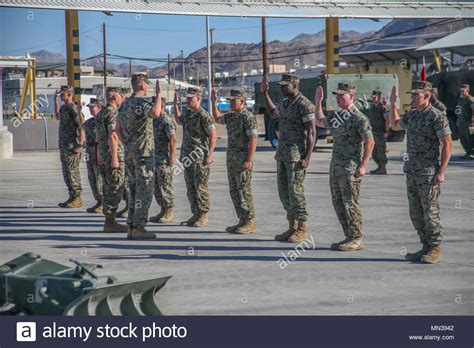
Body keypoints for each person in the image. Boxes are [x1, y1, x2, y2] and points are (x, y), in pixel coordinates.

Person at [389, 81, 452, 264]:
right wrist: (393, 103)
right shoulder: (413, 115)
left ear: (427, 95)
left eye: (415, 95)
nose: (412, 98)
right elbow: (394, 125)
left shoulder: (436, 116)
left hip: (428, 172)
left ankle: (435, 248)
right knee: (415, 212)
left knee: (430, 211)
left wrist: (441, 171)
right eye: (411, 95)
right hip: (412, 171)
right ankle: (424, 245)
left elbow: (447, 144)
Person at [314, 83, 375, 251]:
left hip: (350, 168)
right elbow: (319, 122)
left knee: (350, 204)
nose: (338, 98)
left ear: (352, 97)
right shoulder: (337, 116)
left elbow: (370, 142)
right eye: (337, 95)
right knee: (338, 203)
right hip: (336, 167)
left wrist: (363, 165)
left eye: (342, 95)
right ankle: (349, 236)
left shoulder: (359, 118)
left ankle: (357, 237)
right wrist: (318, 101)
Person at [260, 73, 317, 243]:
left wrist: (307, 157)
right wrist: (264, 93)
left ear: (295, 85)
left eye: (286, 85)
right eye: (281, 85)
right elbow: (272, 113)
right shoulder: (285, 103)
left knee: (296, 192)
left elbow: (312, 132)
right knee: (284, 193)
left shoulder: (304, 104)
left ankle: (302, 228)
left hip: (296, 155)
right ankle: (292, 226)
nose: (283, 88)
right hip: (282, 154)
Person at [116, 73, 162, 240]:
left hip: (130, 154)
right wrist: (158, 95)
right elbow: (155, 114)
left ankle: (131, 226)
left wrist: (126, 144)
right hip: (143, 154)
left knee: (133, 190)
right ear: (143, 86)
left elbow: (117, 129)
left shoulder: (125, 104)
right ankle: (139, 227)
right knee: (144, 191)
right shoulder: (141, 103)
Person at [211, 89, 258, 234]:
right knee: (234, 191)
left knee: (244, 191)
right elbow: (218, 118)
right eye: (229, 100)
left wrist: (249, 159)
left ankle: (250, 221)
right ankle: (242, 220)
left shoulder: (248, 117)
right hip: (231, 160)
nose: (230, 103)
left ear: (242, 102)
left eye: (233, 101)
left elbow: (253, 139)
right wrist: (214, 102)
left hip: (243, 160)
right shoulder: (231, 117)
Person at [173, 87, 217, 227]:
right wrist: (175, 105)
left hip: (199, 156)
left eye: (190, 98)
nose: (187, 100)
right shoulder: (188, 113)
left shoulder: (204, 115)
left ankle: (203, 214)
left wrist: (210, 154)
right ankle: (195, 213)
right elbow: (179, 120)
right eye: (187, 98)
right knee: (190, 185)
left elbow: (213, 135)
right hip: (187, 157)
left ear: (198, 99)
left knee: (200, 186)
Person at [95, 88, 128, 233]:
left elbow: (98, 137)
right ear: (115, 97)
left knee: (108, 186)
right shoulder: (113, 113)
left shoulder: (101, 112)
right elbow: (113, 136)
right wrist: (115, 157)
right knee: (116, 186)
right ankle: (110, 221)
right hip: (113, 155)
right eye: (121, 96)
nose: (123, 99)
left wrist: (100, 155)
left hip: (103, 154)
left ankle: (109, 219)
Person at [54, 85, 84, 208]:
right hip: (64, 145)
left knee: (73, 172)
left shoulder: (73, 108)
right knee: (66, 172)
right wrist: (54, 101)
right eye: (60, 95)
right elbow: (57, 116)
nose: (61, 96)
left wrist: (80, 144)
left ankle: (77, 198)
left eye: (63, 95)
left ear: (70, 95)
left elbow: (82, 126)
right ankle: (72, 196)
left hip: (72, 145)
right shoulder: (64, 108)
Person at [149, 97, 177, 224]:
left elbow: (173, 140)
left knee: (165, 185)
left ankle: (169, 211)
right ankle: (162, 209)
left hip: (164, 159)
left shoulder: (166, 121)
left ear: (162, 107)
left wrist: (172, 156)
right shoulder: (154, 121)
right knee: (156, 186)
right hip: (154, 159)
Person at [361, 90, 389, 174]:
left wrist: (387, 131)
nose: (373, 99)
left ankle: (382, 168)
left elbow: (388, 120)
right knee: (374, 152)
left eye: (374, 97)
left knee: (381, 151)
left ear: (379, 98)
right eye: (372, 97)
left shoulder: (383, 108)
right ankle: (379, 166)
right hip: (373, 132)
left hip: (380, 133)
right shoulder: (372, 107)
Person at [84, 98, 104, 213]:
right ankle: (98, 200)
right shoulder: (90, 122)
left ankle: (103, 202)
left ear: (99, 107)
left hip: (99, 152)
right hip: (90, 152)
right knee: (92, 177)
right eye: (90, 107)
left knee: (99, 177)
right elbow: (81, 125)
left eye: (93, 107)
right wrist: (79, 110)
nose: (91, 109)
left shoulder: (103, 121)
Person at [456, 84, 474, 159]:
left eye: (463, 91)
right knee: (462, 138)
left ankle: (472, 153)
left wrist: (473, 121)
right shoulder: (461, 99)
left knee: (470, 137)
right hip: (461, 122)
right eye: (460, 90)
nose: (461, 92)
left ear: (467, 91)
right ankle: (467, 152)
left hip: (468, 122)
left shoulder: (470, 99)